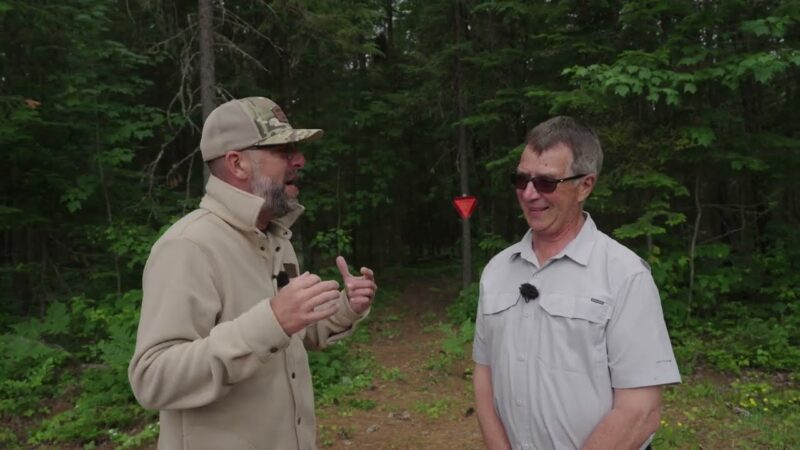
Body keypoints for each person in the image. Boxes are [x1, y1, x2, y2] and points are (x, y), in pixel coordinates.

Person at [128, 96, 377, 450]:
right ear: (238, 163)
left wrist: (347, 306)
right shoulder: (189, 246)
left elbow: (295, 333)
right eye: (284, 151)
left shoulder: (273, 237)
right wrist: (270, 321)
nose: (299, 160)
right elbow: (153, 378)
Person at [472, 116, 681, 450]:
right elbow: (484, 376)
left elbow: (641, 410)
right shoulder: (497, 271)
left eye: (546, 183)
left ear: (585, 185)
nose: (529, 194)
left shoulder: (624, 275)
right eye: (521, 179)